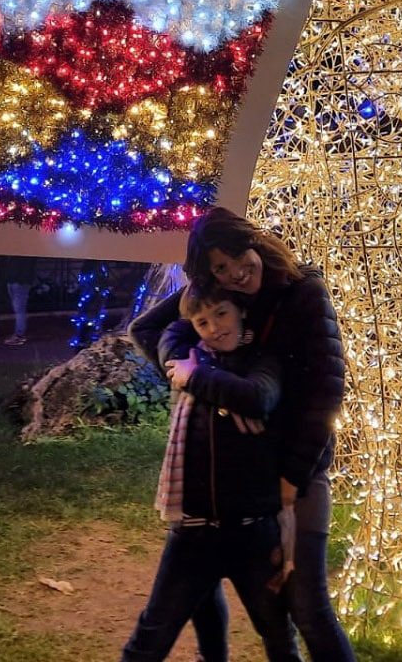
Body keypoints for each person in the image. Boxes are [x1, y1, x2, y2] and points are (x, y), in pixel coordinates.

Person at [130, 206, 354, 662]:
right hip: (246, 474)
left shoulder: (302, 291)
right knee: (219, 580)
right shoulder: (220, 295)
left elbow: (326, 392)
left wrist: (293, 476)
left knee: (305, 606)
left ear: (255, 242)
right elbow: (153, 327)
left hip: (299, 467)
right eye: (220, 268)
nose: (236, 273)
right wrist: (190, 373)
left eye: (238, 257)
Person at [119, 284, 300, 662]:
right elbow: (145, 330)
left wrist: (195, 378)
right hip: (194, 532)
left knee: (279, 637)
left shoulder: (263, 359)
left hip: (254, 531)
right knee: (150, 638)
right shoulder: (187, 357)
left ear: (242, 311)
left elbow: (257, 397)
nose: (215, 327)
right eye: (202, 322)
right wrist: (196, 286)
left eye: (222, 313)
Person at [0, 254, 38, 346]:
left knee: (19, 309)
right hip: (15, 279)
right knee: (18, 309)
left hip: (20, 280)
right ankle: (19, 333)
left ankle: (19, 334)